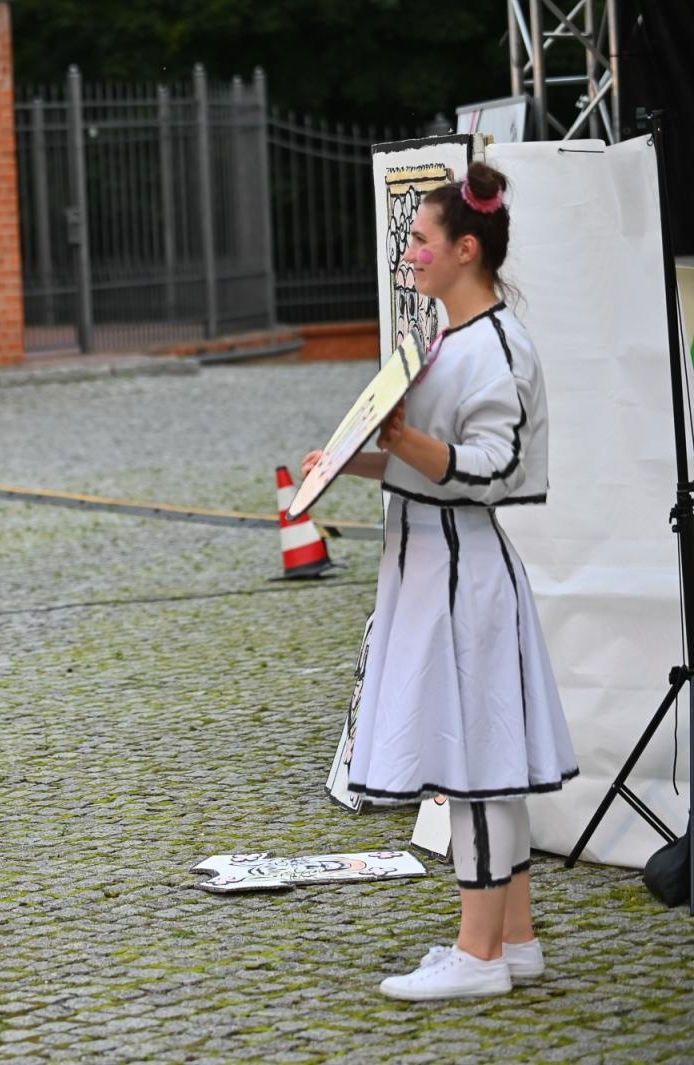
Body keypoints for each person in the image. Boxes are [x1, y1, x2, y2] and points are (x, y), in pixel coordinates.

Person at [301, 162, 577, 1001]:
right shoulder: (457, 340)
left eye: (420, 240)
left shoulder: (494, 345)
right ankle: (513, 940)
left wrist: (399, 444)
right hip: (439, 564)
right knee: (481, 757)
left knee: (478, 765)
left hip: (462, 571)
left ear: (465, 248)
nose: (409, 254)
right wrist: (356, 461)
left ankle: (479, 956)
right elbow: (432, 460)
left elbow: (488, 470)